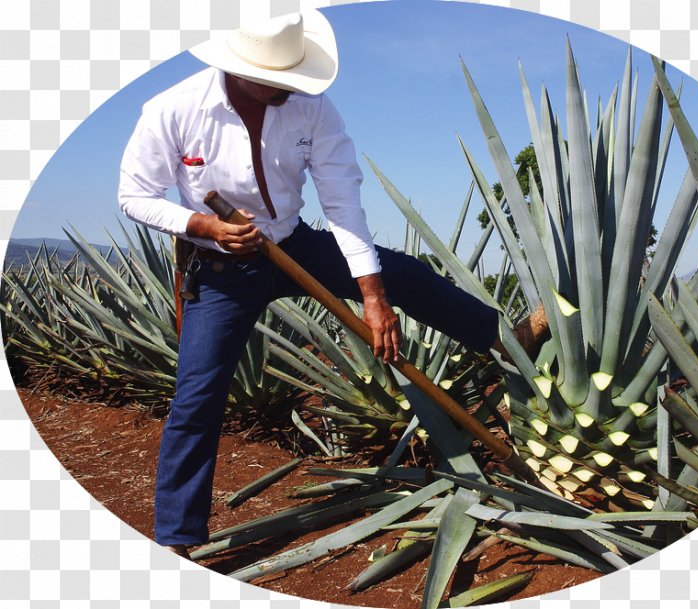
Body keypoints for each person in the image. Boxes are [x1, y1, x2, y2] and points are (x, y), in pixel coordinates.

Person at [118, 10, 548, 557]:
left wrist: (374, 295)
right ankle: (177, 542)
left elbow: (342, 201)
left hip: (293, 245)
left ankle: (499, 337)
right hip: (222, 269)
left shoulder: (310, 106)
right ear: (240, 66)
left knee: (407, 275)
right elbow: (134, 195)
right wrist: (203, 226)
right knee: (197, 398)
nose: (289, 87)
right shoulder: (173, 110)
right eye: (277, 77)